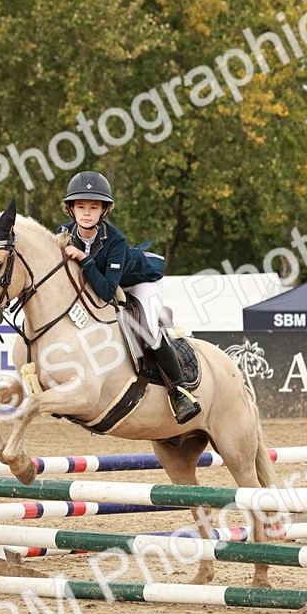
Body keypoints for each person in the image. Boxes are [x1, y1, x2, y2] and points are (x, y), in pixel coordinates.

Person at [56, 170, 200, 424]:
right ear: (70, 209)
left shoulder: (115, 240)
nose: (87, 213)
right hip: (104, 281)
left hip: (140, 282)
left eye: (93, 207)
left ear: (104, 211)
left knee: (148, 330)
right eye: (81, 206)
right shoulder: (64, 233)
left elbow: (107, 292)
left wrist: (85, 258)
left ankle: (179, 392)